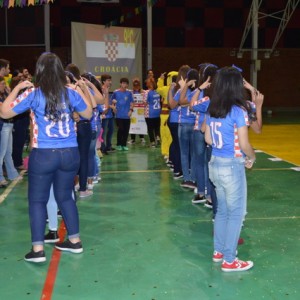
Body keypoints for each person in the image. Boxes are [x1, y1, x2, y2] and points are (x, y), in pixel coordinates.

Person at [0, 52, 92, 263]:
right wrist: (82, 89)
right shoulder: (69, 92)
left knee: (37, 200)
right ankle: (75, 240)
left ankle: (38, 249)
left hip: (44, 154)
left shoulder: (34, 93)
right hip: (70, 153)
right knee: (65, 197)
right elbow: (88, 113)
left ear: (39, 71)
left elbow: (5, 112)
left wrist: (16, 88)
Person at [205, 66, 256, 272]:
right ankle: (229, 259)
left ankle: (219, 251)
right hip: (232, 166)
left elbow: (208, 138)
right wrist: (251, 156)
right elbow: (244, 144)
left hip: (215, 163)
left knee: (223, 211)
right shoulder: (238, 111)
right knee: (236, 213)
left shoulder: (212, 108)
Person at [112, 77, 134, 151]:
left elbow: (131, 102)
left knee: (126, 130)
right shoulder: (116, 92)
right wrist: (113, 108)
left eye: (126, 83)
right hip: (118, 115)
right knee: (121, 129)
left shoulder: (129, 93)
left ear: (127, 85)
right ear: (120, 84)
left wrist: (131, 110)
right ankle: (118, 144)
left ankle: (124, 145)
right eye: (123, 83)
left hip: (127, 115)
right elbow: (112, 102)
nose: (124, 85)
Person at [143, 77, 161, 147]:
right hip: (157, 112)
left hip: (149, 113)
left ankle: (152, 142)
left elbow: (145, 103)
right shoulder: (158, 91)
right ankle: (158, 138)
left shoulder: (146, 92)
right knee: (157, 127)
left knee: (150, 128)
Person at [127, 78, 145, 145]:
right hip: (133, 111)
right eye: (135, 83)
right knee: (133, 124)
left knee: (141, 123)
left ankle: (142, 138)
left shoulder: (143, 91)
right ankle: (133, 139)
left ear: (139, 84)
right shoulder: (131, 92)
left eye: (137, 83)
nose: (136, 84)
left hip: (141, 111)